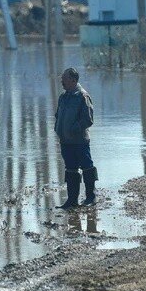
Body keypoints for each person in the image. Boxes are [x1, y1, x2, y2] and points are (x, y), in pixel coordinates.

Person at [54, 67, 97, 209]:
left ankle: (91, 197)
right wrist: (58, 129)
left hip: (80, 141)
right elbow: (57, 116)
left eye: (64, 79)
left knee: (87, 167)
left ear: (73, 80)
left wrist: (74, 129)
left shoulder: (82, 96)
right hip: (66, 141)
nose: (62, 81)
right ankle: (72, 200)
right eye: (62, 78)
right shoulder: (63, 97)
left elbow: (88, 119)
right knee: (70, 169)